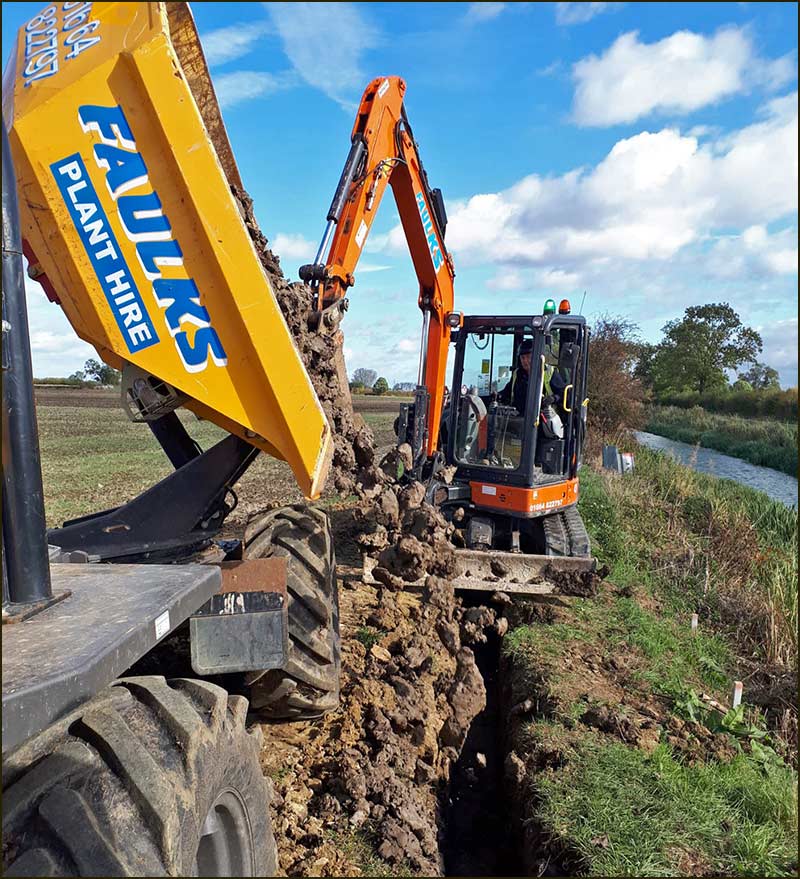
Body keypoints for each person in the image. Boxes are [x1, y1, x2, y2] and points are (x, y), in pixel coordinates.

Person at [498, 339, 533, 412]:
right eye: (522, 358)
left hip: (543, 419)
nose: (525, 361)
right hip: (518, 417)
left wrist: (554, 398)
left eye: (528, 357)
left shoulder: (548, 372)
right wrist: (497, 396)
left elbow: (562, 393)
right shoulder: (517, 374)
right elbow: (507, 392)